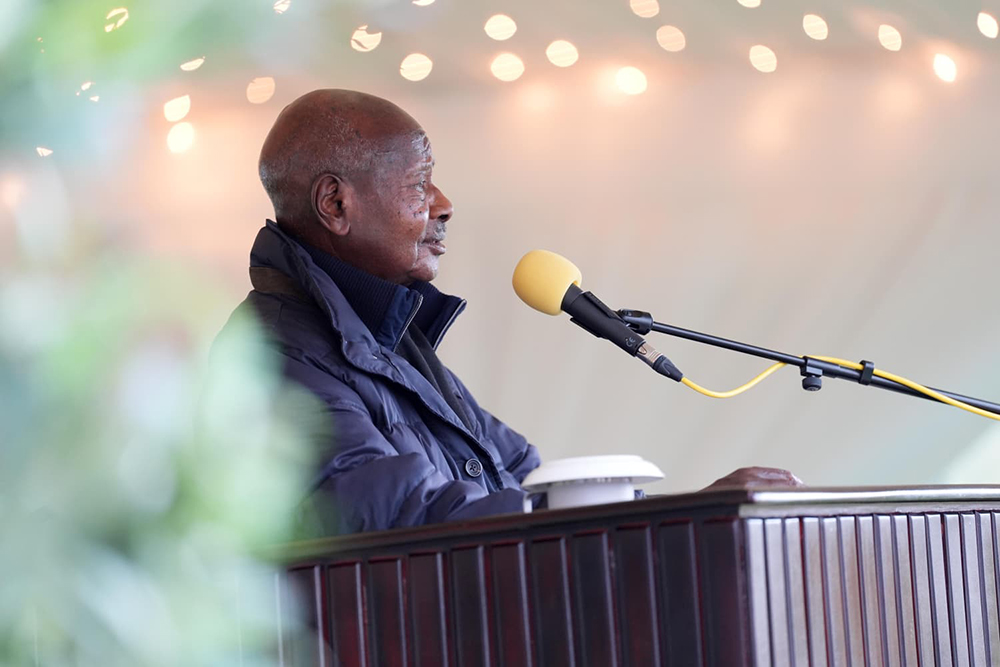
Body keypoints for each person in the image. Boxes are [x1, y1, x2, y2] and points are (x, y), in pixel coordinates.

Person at [220, 89, 801, 536]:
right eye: (420, 184)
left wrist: (688, 513)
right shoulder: (270, 358)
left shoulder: (389, 341)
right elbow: (405, 515)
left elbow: (529, 479)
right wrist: (687, 519)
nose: (444, 205)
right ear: (336, 203)